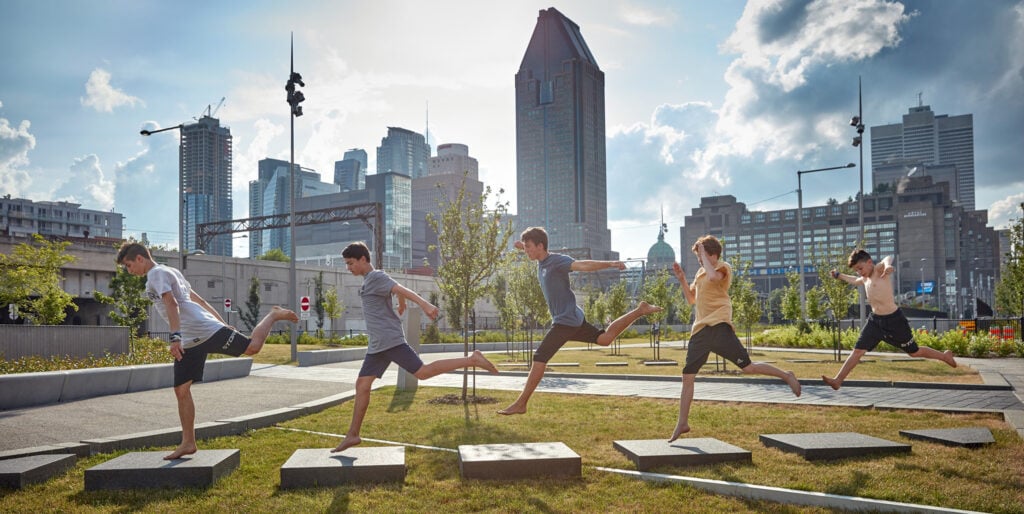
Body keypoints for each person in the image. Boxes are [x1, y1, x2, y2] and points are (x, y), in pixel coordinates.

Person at [116, 242, 299, 460]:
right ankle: (188, 442)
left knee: (252, 347)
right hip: (191, 339)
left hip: (203, 330)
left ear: (139, 258)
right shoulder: (170, 271)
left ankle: (273, 315)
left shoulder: (156, 274)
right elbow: (199, 299)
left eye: (128, 265)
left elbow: (172, 304)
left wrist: (175, 337)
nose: (129, 271)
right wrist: (223, 322)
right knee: (181, 389)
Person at [334, 242, 499, 453]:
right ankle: (353, 435)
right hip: (377, 346)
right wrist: (401, 304)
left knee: (423, 372)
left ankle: (473, 359)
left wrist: (424, 304)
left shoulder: (376, 277)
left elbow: (400, 288)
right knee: (362, 385)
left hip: (390, 341)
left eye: (350, 263)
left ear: (363, 259)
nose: (348, 268)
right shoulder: (370, 280)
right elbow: (395, 290)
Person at [497, 227, 663, 416]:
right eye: (524, 247)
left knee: (539, 357)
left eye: (528, 247)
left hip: (565, 321)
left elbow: (583, 265)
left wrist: (612, 263)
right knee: (605, 339)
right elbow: (528, 248)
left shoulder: (557, 262)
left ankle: (521, 403)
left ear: (540, 246)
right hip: (573, 318)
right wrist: (521, 245)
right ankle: (640, 310)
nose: (525, 250)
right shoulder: (540, 259)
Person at [669, 235, 801, 441]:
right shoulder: (701, 272)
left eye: (702, 256)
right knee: (687, 376)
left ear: (713, 255)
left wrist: (704, 256)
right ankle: (682, 423)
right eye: (698, 257)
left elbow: (714, 278)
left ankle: (786, 375)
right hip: (700, 330)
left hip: (720, 326)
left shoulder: (723, 268)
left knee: (748, 367)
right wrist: (683, 280)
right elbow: (691, 299)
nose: (700, 261)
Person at [822, 249, 956, 390]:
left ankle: (944, 356)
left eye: (860, 268)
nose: (859, 272)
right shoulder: (865, 278)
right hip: (875, 322)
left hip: (894, 321)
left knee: (914, 352)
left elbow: (888, 257)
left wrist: (887, 266)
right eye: (857, 270)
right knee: (858, 351)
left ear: (869, 262)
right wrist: (839, 275)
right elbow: (855, 281)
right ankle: (838, 380)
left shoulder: (878, 270)